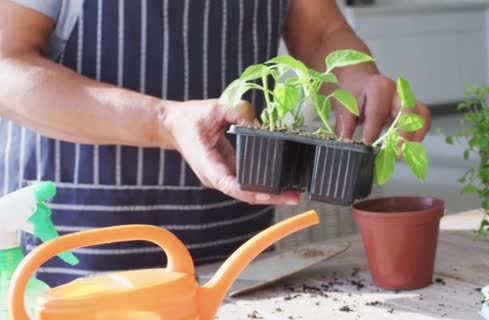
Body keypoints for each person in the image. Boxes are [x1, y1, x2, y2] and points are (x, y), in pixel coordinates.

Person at [0, 0, 431, 286]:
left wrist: (356, 81)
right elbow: (6, 62)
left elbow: (322, 32)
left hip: (237, 256)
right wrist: (163, 121)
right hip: (73, 255)